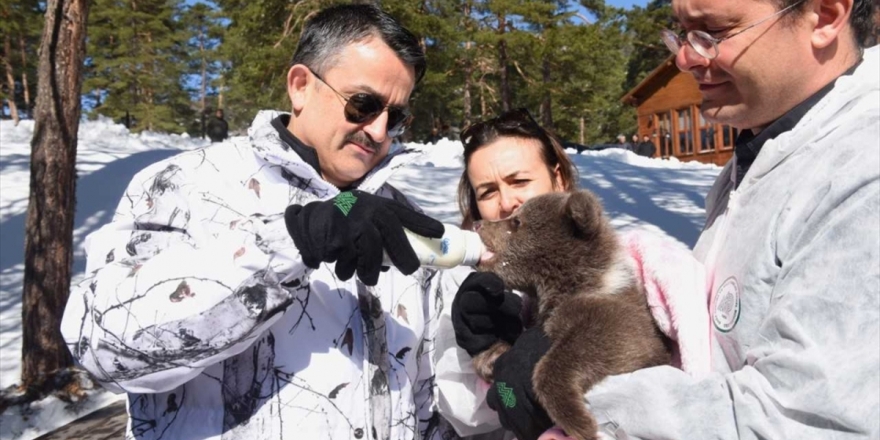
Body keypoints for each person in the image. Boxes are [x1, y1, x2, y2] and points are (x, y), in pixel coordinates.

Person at [461, 0, 879, 439]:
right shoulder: (759, 160)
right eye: (680, 34)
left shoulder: (860, 176)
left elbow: (800, 421)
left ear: (826, 16)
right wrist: (505, 357)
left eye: (712, 31)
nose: (684, 58)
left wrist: (573, 396)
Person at [61, 5, 459, 439]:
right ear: (301, 86)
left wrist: (493, 361)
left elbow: (427, 399)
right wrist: (288, 243)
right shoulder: (185, 185)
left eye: (395, 116)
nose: (379, 131)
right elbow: (99, 347)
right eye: (363, 105)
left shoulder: (404, 221)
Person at [431, 108, 578, 438]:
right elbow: (467, 413)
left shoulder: (625, 256)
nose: (507, 202)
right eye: (487, 191)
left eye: (520, 181)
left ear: (559, 178)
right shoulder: (471, 285)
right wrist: (493, 356)